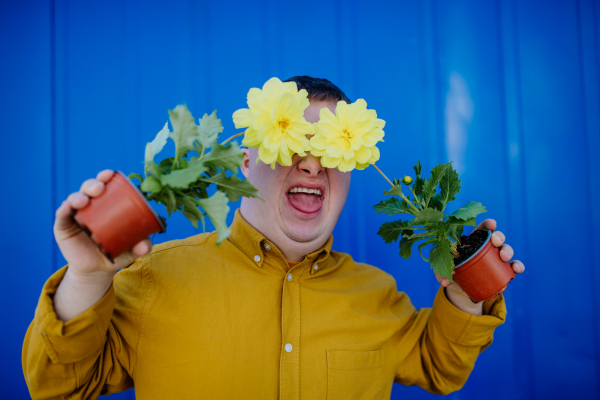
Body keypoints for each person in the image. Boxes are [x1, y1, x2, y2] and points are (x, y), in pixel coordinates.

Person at [23, 76, 524, 400]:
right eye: (292, 144)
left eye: (331, 149)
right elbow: (58, 385)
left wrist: (463, 294)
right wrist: (87, 278)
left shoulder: (377, 296)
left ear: (353, 170)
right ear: (245, 162)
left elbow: (440, 367)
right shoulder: (152, 278)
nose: (311, 162)